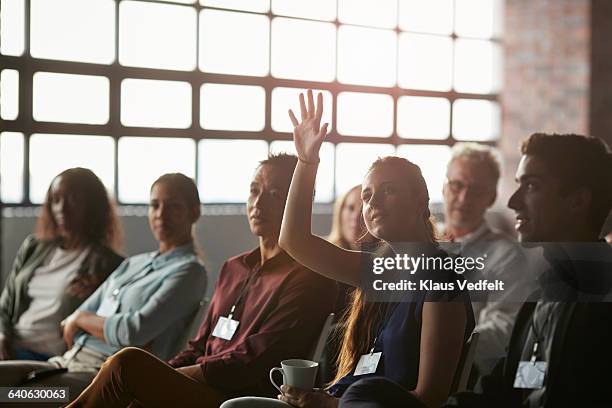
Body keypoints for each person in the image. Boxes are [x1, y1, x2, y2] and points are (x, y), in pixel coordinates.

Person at [223, 90, 475, 408]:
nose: (373, 203)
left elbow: (429, 398)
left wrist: (330, 405)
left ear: (419, 203)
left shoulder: (441, 279)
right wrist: (306, 161)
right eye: (368, 195)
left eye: (389, 191)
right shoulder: (376, 269)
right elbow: (294, 240)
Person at [66, 154, 337, 408]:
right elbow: (198, 345)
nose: (258, 203)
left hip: (236, 396)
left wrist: (168, 375)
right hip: (198, 384)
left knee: (127, 363)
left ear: (300, 203)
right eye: (254, 191)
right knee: (131, 371)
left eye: (275, 194)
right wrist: (165, 371)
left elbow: (253, 360)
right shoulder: (235, 268)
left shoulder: (309, 277)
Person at [0, 173, 207, 403]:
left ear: (194, 212)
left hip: (100, 375)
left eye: (173, 206)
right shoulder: (133, 263)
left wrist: (82, 319)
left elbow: (133, 332)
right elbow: (71, 322)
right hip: (65, 362)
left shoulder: (189, 271)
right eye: (154, 205)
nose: (160, 214)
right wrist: (87, 321)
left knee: (11, 397)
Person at [442, 133, 612, 408]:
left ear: (577, 202)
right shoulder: (543, 292)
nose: (513, 202)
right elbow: (506, 390)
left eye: (531, 186)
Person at [0, 167, 124, 362]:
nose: (62, 208)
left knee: (13, 393)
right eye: (55, 200)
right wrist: (2, 335)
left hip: (50, 359)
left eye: (73, 199)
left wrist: (95, 295)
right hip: (9, 347)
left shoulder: (109, 264)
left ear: (92, 205)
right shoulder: (33, 247)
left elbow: (110, 327)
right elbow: (5, 306)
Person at [441, 143, 532, 376]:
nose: (464, 198)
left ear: (491, 198)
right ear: (444, 187)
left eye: (477, 190)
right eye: (457, 185)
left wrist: (435, 348)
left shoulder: (508, 255)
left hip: (462, 373)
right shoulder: (421, 244)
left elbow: (502, 330)